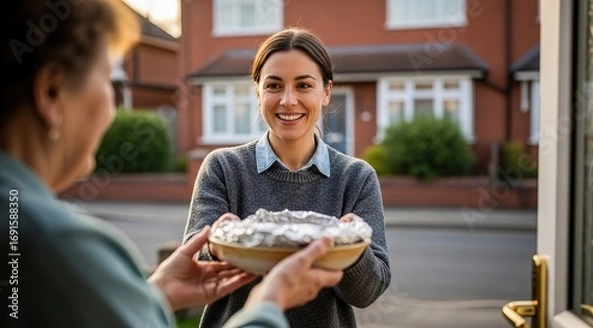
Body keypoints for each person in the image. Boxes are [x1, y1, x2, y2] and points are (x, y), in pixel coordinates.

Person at [0, 1, 342, 327]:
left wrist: (158, 293)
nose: (113, 107)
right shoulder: (53, 243)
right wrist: (269, 301)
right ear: (51, 92)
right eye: (109, 81)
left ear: (326, 91)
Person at [184, 27, 391, 328]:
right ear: (258, 91)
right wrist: (215, 246)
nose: (288, 100)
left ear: (326, 91)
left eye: (304, 85)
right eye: (274, 86)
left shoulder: (356, 178)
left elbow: (368, 292)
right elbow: (194, 275)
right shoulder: (223, 168)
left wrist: (351, 245)